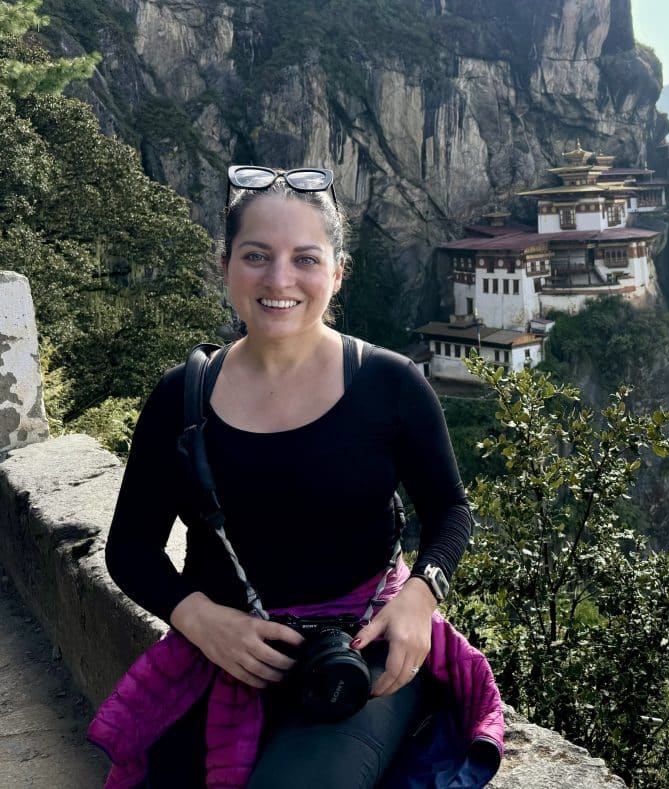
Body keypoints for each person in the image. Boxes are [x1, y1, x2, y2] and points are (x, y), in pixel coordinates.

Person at [87, 167, 503, 788]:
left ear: (337, 272)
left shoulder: (391, 386)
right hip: (228, 653)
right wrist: (200, 618)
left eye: (304, 259)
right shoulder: (182, 398)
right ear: (225, 264)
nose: (279, 280)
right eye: (257, 256)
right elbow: (131, 548)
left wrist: (420, 595)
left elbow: (450, 511)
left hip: (359, 649)